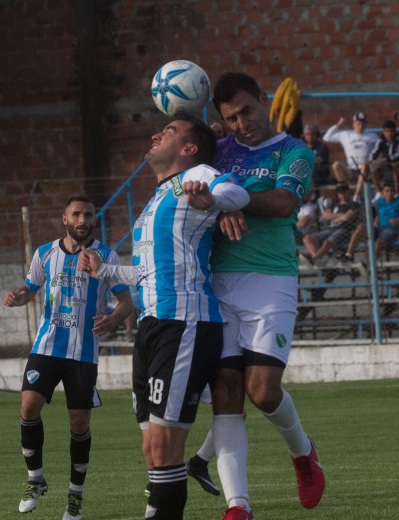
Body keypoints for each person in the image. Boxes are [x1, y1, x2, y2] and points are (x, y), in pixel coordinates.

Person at [78, 112, 249, 519]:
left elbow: (236, 193)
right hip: (152, 325)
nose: (157, 135)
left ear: (188, 149)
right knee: (151, 450)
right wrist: (104, 271)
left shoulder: (200, 175)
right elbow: (147, 271)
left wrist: (214, 200)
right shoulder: (156, 198)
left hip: (184, 323)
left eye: (169, 132)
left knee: (163, 447)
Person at [210, 72, 325, 519]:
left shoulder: (293, 151)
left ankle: (303, 453)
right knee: (226, 392)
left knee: (261, 391)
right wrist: (219, 206)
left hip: (271, 281)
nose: (241, 123)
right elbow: (194, 193)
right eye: (230, 118)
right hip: (217, 281)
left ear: (264, 100)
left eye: (246, 111)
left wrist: (233, 199)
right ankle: (238, 505)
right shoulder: (217, 153)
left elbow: (282, 203)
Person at [4, 195, 133, 519]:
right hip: (47, 347)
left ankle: (74, 497)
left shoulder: (106, 255)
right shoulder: (45, 253)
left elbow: (126, 302)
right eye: (76, 214)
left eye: (88, 215)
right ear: (65, 218)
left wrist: (114, 320)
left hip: (82, 354)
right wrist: (19, 296)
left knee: (79, 424)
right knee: (28, 406)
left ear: (93, 220)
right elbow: (30, 288)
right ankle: (35, 479)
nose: (82, 220)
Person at [301, 183, 361, 265]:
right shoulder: (334, 204)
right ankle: (318, 257)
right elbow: (325, 216)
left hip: (344, 230)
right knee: (307, 239)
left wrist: (334, 217)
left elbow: (346, 218)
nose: (342, 195)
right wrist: (340, 216)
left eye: (344, 192)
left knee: (328, 242)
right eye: (340, 193)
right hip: (331, 229)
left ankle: (313, 258)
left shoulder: (353, 205)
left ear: (349, 192)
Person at [323, 111, 380, 196]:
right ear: (353, 124)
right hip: (350, 170)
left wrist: (375, 161)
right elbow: (326, 137)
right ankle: (345, 191)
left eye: (363, 123)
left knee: (364, 165)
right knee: (336, 165)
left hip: (366, 170)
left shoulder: (372, 136)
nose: (360, 126)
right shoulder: (346, 135)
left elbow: (381, 147)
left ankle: (356, 196)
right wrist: (338, 124)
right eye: (358, 123)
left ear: (366, 125)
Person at [368, 120, 399, 195]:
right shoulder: (381, 140)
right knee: (372, 166)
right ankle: (380, 193)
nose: (389, 134)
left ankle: (397, 193)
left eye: (391, 131)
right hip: (386, 165)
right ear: (384, 132)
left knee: (397, 165)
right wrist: (373, 160)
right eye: (387, 131)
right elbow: (374, 152)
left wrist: (387, 159)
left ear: (395, 131)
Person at [373, 184, 399, 257]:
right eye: (387, 191)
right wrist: (376, 219)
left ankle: (372, 265)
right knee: (367, 236)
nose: (389, 193)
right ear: (382, 193)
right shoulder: (378, 202)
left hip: (392, 227)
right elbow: (376, 214)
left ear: (394, 192)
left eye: (391, 191)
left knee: (378, 242)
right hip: (379, 228)